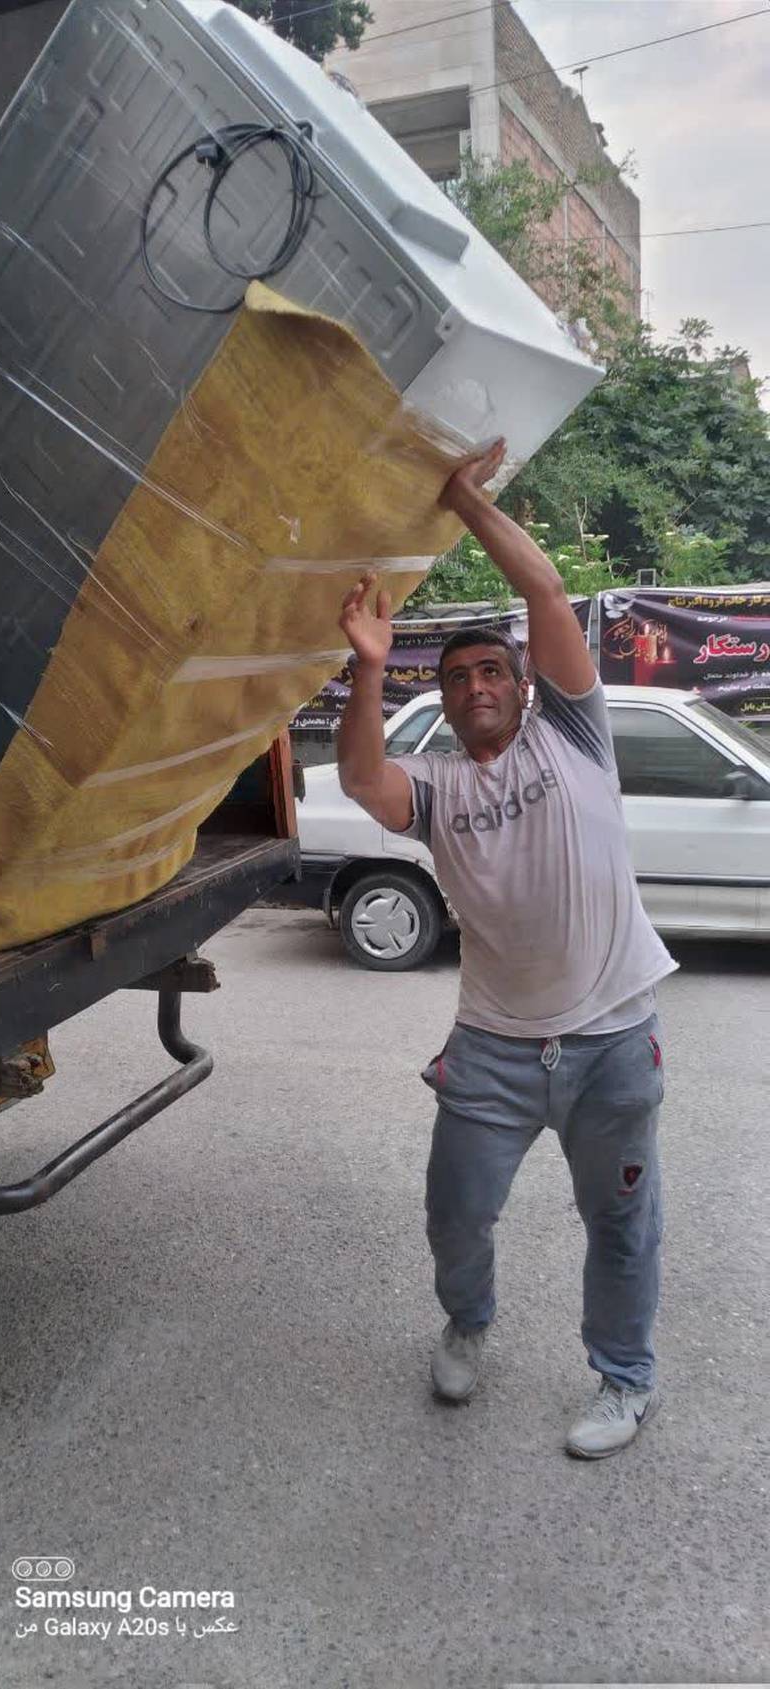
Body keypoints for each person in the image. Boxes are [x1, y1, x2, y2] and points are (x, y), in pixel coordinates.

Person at [336, 440, 676, 1459]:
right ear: (442, 700)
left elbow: (544, 590)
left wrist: (462, 499)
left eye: (492, 670)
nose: (475, 684)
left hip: (611, 1039)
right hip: (491, 1046)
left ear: (525, 685)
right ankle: (467, 1323)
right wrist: (367, 666)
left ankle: (624, 1378)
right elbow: (361, 781)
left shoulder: (571, 734)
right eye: (456, 676)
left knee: (620, 1223)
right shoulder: (436, 786)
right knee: (454, 1212)